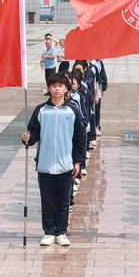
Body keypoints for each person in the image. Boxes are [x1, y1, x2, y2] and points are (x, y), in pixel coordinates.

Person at [21, 72, 86, 247]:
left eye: (60, 86)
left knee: (64, 200)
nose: (57, 89)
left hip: (66, 164)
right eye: (54, 86)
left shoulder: (72, 110)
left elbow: (80, 138)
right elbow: (34, 132)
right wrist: (28, 138)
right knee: (48, 200)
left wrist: (78, 161)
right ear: (49, 88)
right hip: (45, 164)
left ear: (66, 89)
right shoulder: (41, 110)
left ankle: (61, 232)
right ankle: (49, 232)